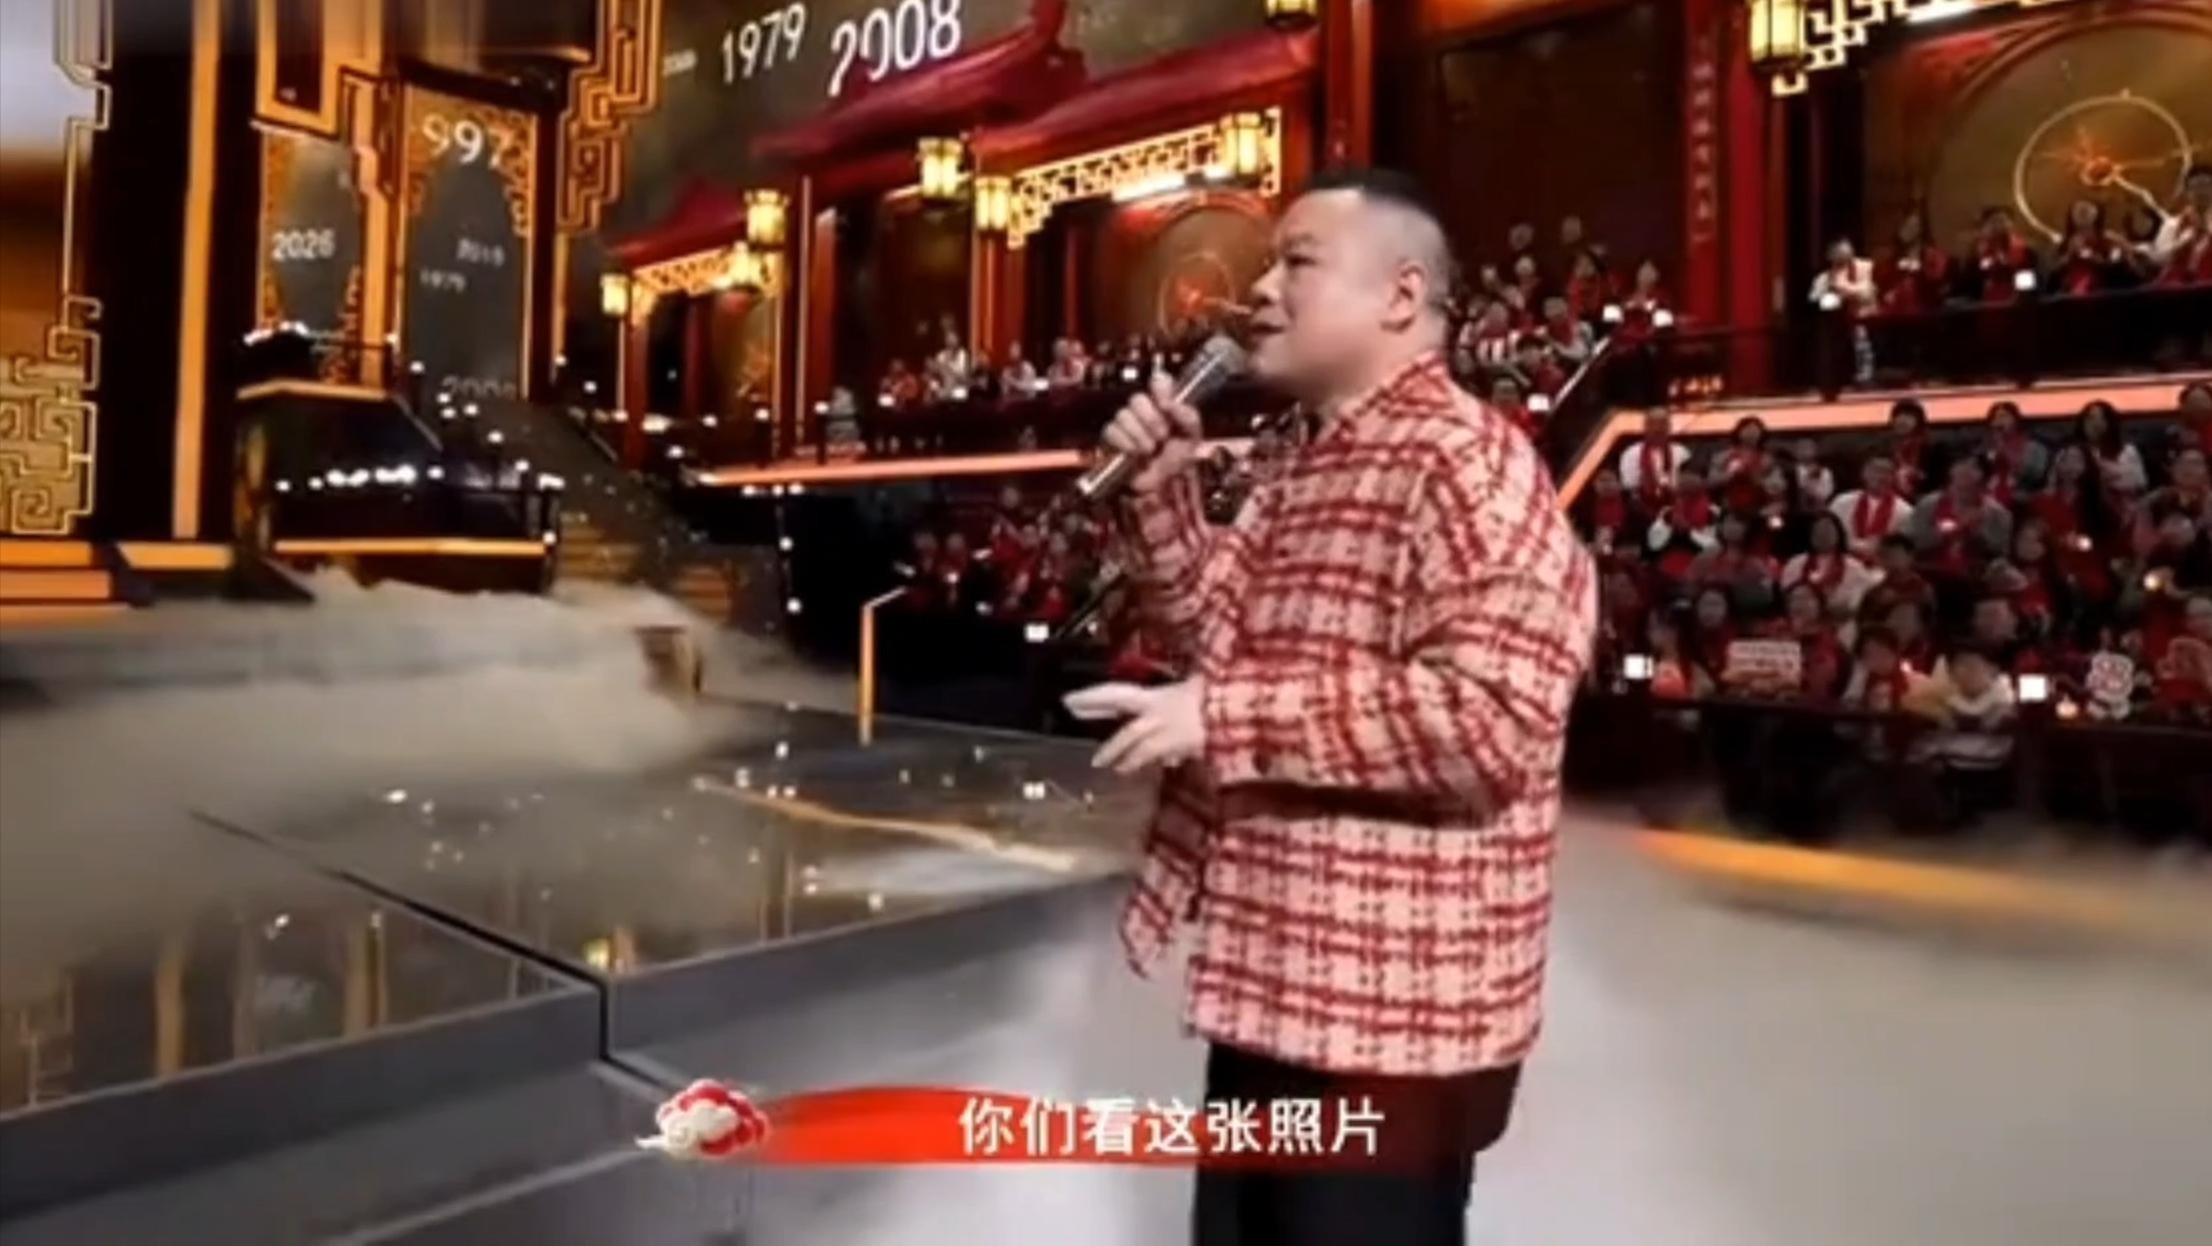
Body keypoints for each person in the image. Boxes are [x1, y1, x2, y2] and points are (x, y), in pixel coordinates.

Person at [1065, 167, 1595, 1246]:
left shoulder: (1468, 462)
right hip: (1278, 989)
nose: (1257, 290)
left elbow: (1491, 717)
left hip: (1388, 1020)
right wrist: (1160, 490)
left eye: (1295, 262)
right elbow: (1221, 638)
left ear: (1401, 296)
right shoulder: (1306, 466)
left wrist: (1226, 718)